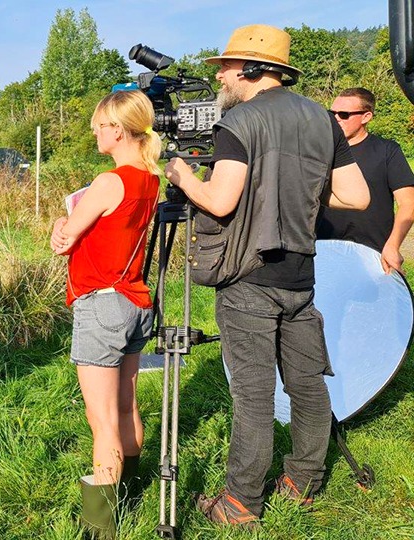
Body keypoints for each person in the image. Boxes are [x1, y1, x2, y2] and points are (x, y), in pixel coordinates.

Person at [165, 24, 370, 528]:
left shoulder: (240, 121)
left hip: (249, 276)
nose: (221, 76)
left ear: (252, 70)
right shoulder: (324, 120)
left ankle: (240, 503)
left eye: (227, 67)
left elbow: (219, 200)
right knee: (307, 383)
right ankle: (304, 482)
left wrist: (181, 175)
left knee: (253, 393)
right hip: (301, 277)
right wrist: (294, 191)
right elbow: (358, 197)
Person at [50, 90, 161, 539]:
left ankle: (101, 527)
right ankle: (130, 493)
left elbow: (64, 241)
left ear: (117, 129)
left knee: (102, 421)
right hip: (135, 299)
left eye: (99, 125)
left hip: (101, 300)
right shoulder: (150, 179)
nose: (95, 132)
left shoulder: (108, 181)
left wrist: (62, 227)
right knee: (126, 403)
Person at [317, 87, 414, 273]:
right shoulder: (318, 151)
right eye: (332, 113)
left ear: (366, 117)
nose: (336, 118)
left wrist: (392, 246)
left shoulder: (387, 151)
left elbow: (408, 203)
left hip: (373, 255)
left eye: (344, 114)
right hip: (322, 252)